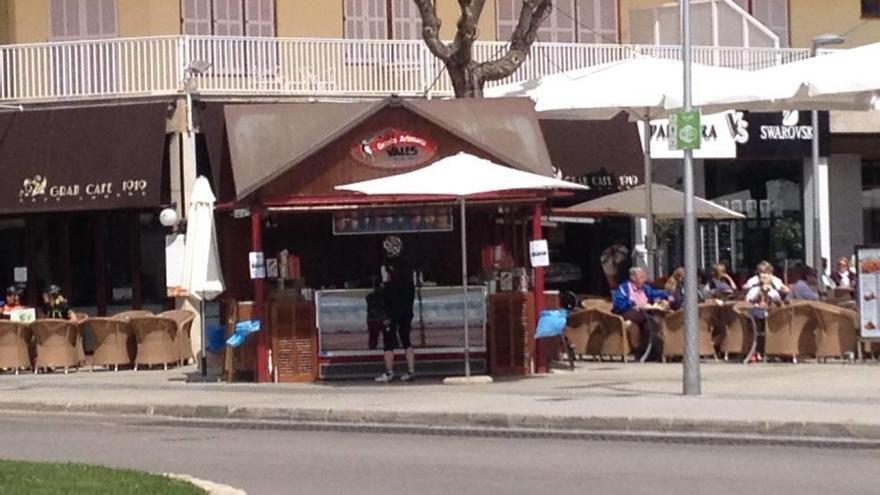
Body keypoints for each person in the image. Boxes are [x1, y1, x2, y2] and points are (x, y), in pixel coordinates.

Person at [375, 236, 416, 383]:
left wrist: (385, 311)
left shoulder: (386, 267)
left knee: (388, 342)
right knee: (406, 340)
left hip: (391, 310)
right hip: (406, 309)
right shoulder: (408, 266)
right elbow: (412, 289)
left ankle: (389, 372)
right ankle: (411, 371)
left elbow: (386, 289)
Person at [612, 267, 669, 360]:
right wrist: (633, 304)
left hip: (643, 314)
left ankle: (650, 352)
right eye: (641, 277)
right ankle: (641, 352)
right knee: (644, 320)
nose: (644, 279)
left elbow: (655, 293)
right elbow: (618, 304)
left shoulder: (645, 288)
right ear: (633, 278)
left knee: (649, 325)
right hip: (627, 313)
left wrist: (668, 295)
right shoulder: (624, 288)